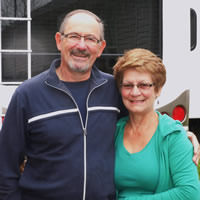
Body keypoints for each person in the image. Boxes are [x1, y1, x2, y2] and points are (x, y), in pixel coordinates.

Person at [0, 9, 199, 200]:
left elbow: (142, 116)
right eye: (74, 36)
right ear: (59, 41)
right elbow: (5, 167)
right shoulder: (28, 94)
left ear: (101, 47)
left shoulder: (113, 89)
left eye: (90, 39)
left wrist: (178, 134)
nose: (82, 45)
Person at [113, 48, 200, 200]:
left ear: (158, 89)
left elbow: (190, 194)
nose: (134, 92)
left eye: (143, 85)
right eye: (127, 85)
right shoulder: (115, 130)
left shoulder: (172, 135)